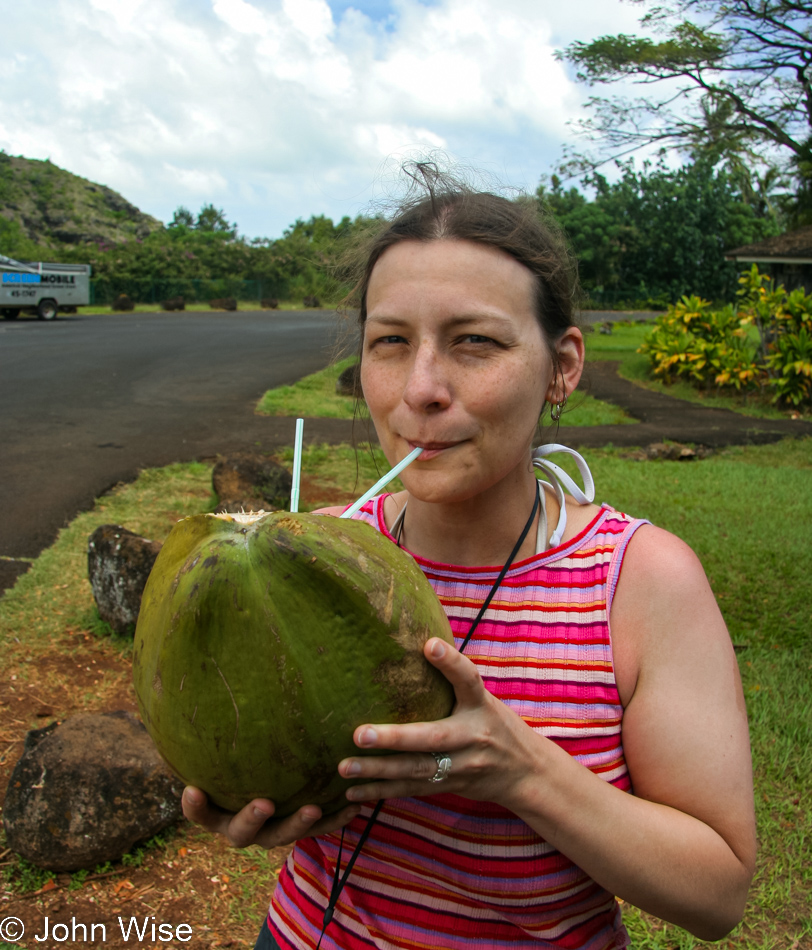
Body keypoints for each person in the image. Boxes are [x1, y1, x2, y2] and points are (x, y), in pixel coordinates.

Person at [182, 174, 756, 950]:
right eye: (390, 343)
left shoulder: (641, 584)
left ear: (562, 366)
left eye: (474, 342)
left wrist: (517, 768)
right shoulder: (312, 551)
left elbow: (717, 893)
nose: (420, 390)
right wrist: (250, 785)